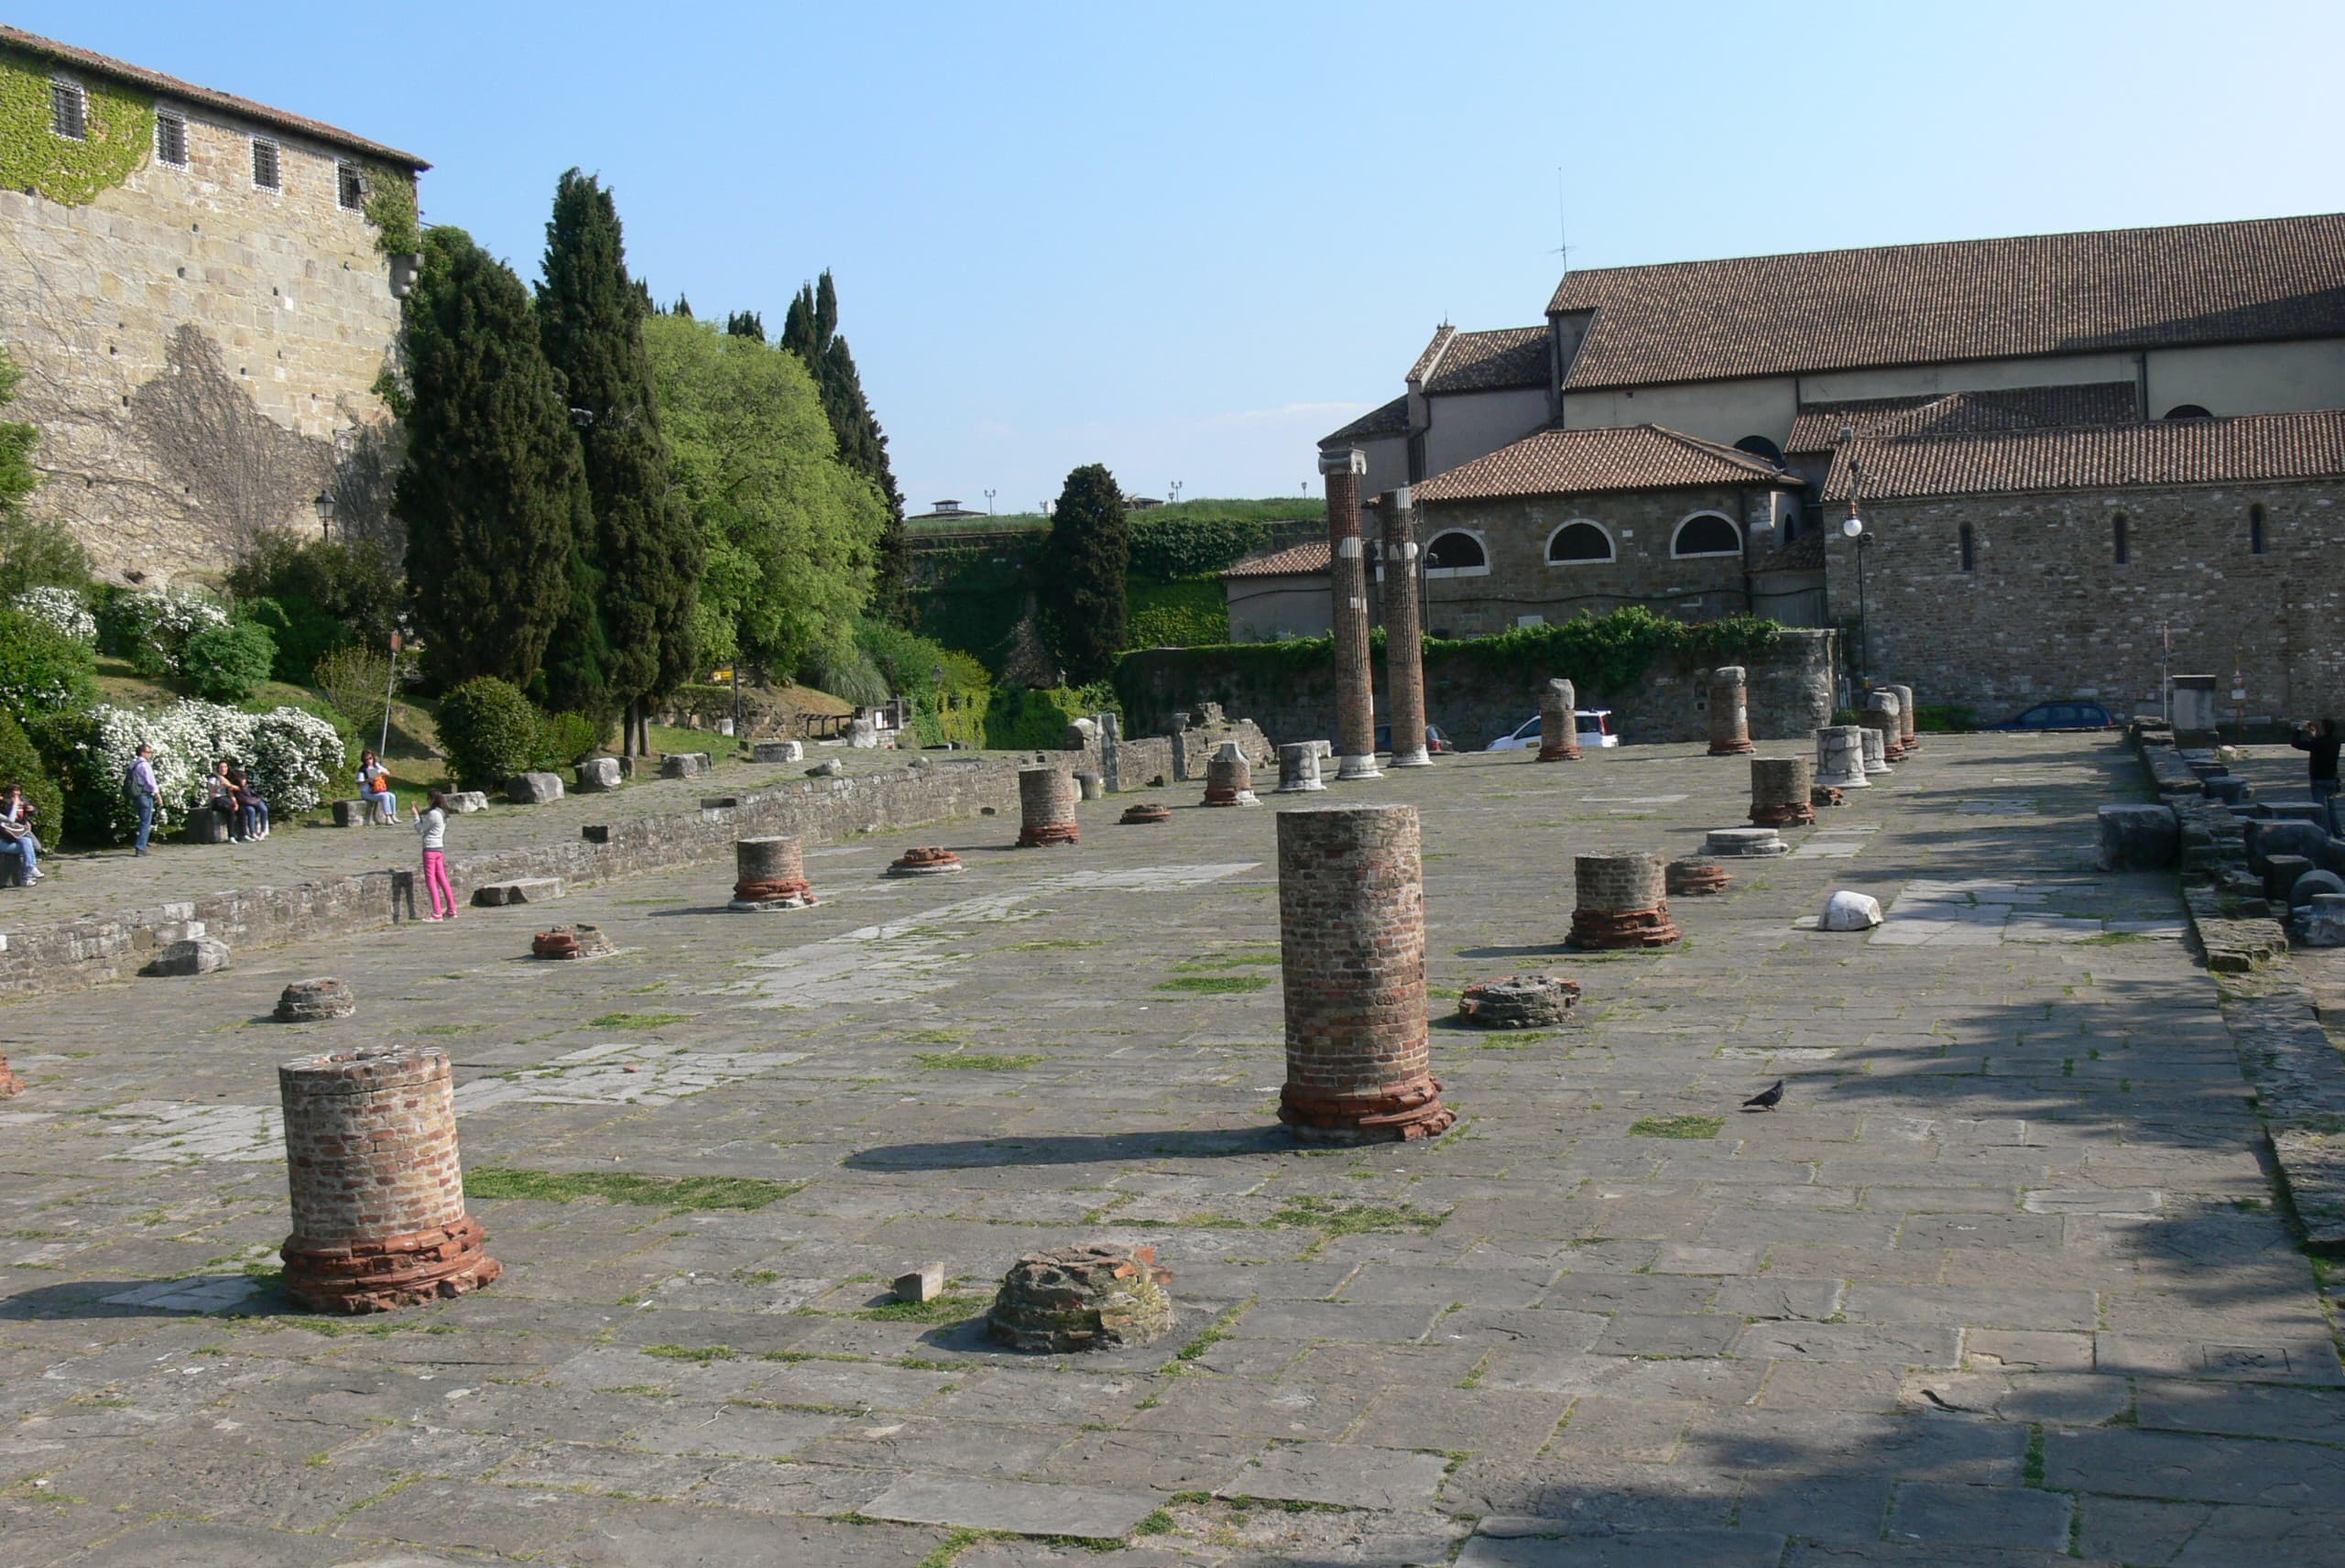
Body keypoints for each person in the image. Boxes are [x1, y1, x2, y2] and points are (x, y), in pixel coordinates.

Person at [412, 789, 458, 921]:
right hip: (439, 848)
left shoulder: (433, 814)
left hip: (430, 849)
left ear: (432, 799)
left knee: (431, 881)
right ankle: (451, 909)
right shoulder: (443, 813)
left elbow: (420, 829)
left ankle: (437, 912)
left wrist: (415, 816)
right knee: (443, 879)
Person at [2294, 717, 2340, 820]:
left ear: (2323, 729)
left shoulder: (2317, 743)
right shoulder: (2336, 742)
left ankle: (2325, 832)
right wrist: (2314, 736)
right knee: (2331, 807)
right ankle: (2337, 833)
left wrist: (2299, 729)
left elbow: (2295, 743)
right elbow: (2321, 745)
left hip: (2318, 779)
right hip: (2331, 779)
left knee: (2319, 807)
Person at [0, 783, 41, 885]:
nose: (16, 793)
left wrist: (33, 810)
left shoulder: (23, 800)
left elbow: (33, 810)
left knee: (30, 843)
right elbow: (10, 821)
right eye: (13, 791)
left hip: (20, 832)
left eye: (18, 791)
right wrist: (15, 805)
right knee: (28, 846)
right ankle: (28, 874)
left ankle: (29, 872)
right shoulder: (5, 804)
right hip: (5, 839)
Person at [125, 743, 158, 856]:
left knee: (143, 821)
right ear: (143, 753)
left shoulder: (134, 764)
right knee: (146, 822)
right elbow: (150, 781)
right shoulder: (144, 765)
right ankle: (141, 848)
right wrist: (158, 795)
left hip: (137, 795)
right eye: (149, 752)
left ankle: (141, 846)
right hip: (145, 795)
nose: (151, 755)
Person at [230, 764, 268, 841]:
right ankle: (253, 833)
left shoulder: (247, 786)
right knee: (251, 811)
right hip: (245, 803)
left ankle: (263, 831)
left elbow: (253, 794)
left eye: (244, 779)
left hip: (253, 800)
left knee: (264, 809)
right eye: (241, 779)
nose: (243, 781)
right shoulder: (235, 787)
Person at [358, 749, 398, 824]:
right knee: (385, 796)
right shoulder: (362, 769)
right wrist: (367, 780)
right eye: (366, 759)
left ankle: (393, 816)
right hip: (367, 793)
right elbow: (359, 783)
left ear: (373, 757)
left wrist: (380, 773)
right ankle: (387, 817)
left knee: (392, 796)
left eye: (370, 758)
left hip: (378, 790)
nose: (369, 761)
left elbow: (388, 773)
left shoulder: (376, 765)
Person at [208, 760, 244, 841]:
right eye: (221, 767)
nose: (223, 769)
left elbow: (230, 792)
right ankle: (231, 836)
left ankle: (243, 834)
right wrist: (218, 785)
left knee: (241, 810)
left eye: (225, 767)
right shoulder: (212, 779)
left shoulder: (227, 779)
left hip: (225, 799)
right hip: (216, 800)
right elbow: (212, 793)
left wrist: (235, 803)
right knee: (230, 810)